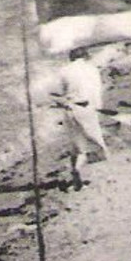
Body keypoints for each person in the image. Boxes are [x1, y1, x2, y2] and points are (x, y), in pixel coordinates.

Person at [53, 47, 107, 190]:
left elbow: (60, 93)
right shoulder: (92, 69)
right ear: (86, 56)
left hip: (70, 109)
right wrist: (98, 108)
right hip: (87, 108)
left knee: (76, 145)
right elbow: (96, 91)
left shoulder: (64, 71)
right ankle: (82, 171)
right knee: (96, 142)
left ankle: (76, 174)